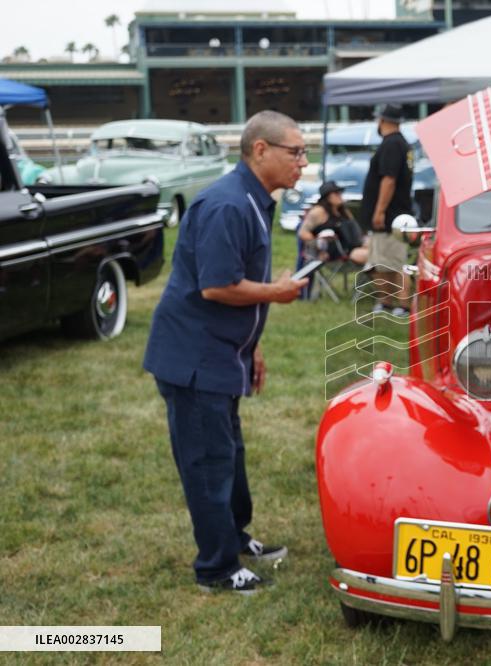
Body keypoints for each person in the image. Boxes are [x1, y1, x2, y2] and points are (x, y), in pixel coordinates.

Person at [143, 110, 309, 595]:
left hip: (224, 353)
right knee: (209, 460)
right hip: (194, 359)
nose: (303, 161)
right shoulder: (227, 205)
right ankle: (215, 568)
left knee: (229, 454)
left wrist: (251, 347)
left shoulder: (255, 201)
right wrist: (276, 293)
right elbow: (218, 287)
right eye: (294, 152)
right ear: (261, 151)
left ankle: (234, 537)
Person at [359, 103, 414, 316]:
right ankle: (387, 303)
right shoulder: (402, 144)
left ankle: (400, 305)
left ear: (382, 120)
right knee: (382, 262)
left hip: (391, 216)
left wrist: (380, 210)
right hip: (398, 213)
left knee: (392, 261)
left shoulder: (391, 144)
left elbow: (389, 179)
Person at [298, 180, 368, 266]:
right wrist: (319, 245)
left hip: (356, 246)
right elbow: (303, 233)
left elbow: (355, 229)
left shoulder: (343, 211)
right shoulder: (319, 211)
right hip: (339, 254)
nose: (340, 195)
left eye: (340, 192)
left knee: (379, 250)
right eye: (336, 193)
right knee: (375, 257)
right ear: (327, 197)